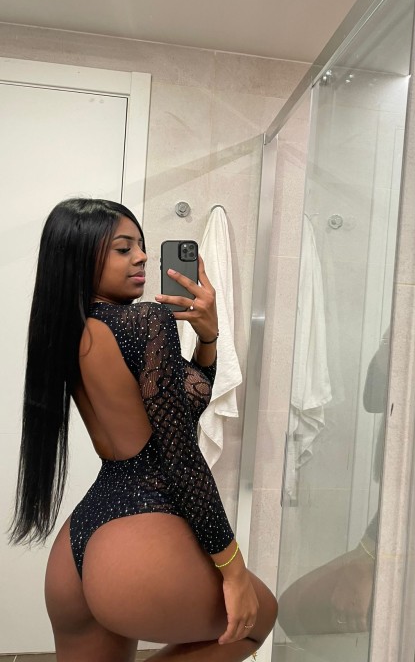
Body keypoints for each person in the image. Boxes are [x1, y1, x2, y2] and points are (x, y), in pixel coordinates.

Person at [9, 198, 277, 662]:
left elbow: (181, 406)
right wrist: (232, 567)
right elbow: (180, 456)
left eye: (141, 245)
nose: (142, 257)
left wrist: (208, 338)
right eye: (123, 248)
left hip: (79, 543)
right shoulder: (146, 321)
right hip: (140, 532)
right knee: (258, 619)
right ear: (80, 255)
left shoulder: (69, 329)